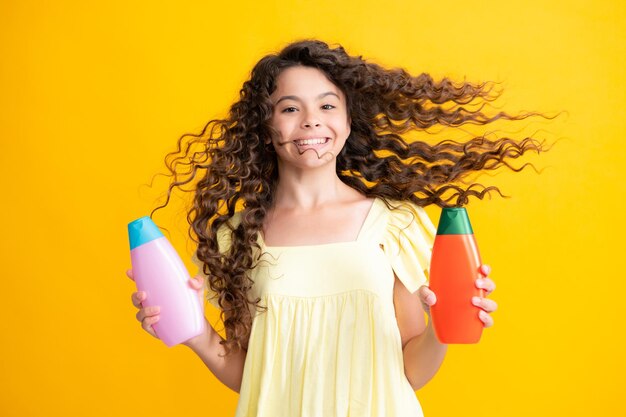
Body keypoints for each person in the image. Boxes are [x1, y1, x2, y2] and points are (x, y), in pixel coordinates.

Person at [127, 39, 547, 416]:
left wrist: (444, 320)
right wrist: (195, 331)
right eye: (290, 108)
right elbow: (255, 376)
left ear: (348, 121)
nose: (311, 121)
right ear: (266, 125)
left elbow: (412, 371)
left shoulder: (394, 224)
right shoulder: (237, 238)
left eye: (327, 106)